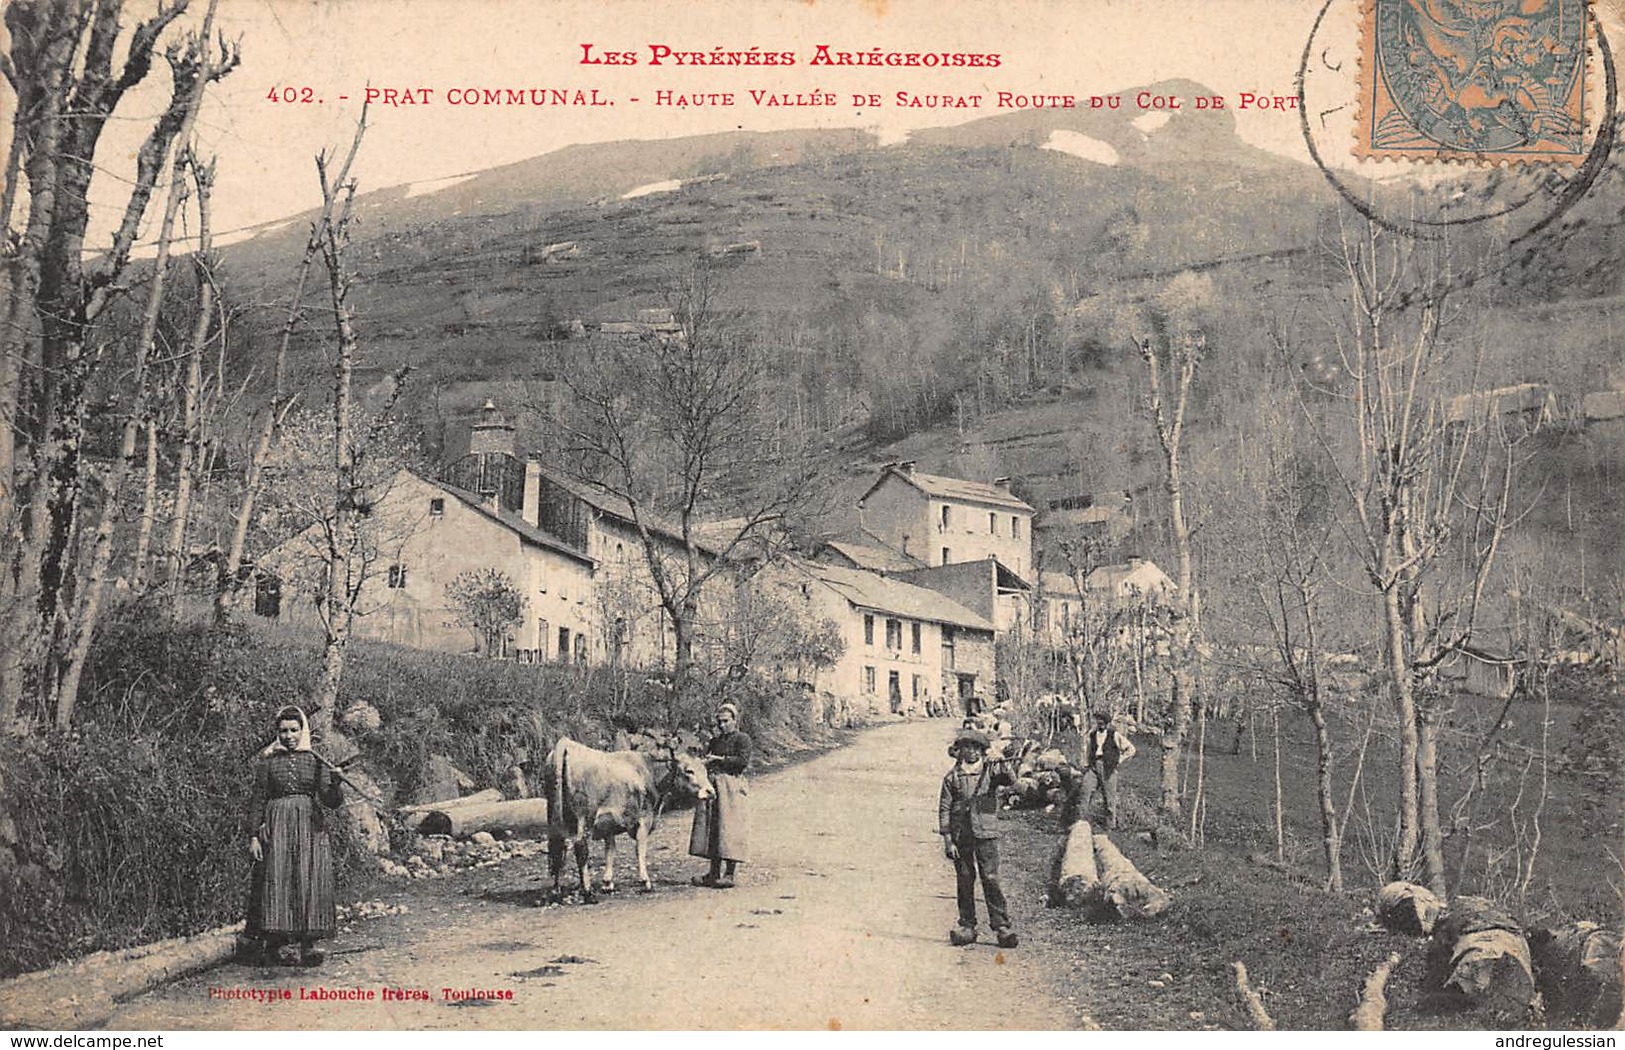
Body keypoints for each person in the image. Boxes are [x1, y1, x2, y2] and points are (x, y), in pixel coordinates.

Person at [247, 706, 344, 966]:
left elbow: (330, 800)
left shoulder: (315, 759)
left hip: (309, 826)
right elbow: (257, 801)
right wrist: (254, 835)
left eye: (294, 730)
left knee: (308, 876)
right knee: (277, 877)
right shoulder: (268, 761)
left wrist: (336, 782)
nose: (289, 736)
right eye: (283, 731)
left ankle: (307, 946)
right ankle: (276, 944)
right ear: (277, 733)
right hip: (277, 826)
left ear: (303, 731)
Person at [937, 727, 1019, 949]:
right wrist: (948, 840)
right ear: (959, 751)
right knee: (964, 880)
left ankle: (1002, 927)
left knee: (990, 878)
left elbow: (1011, 780)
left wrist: (1001, 760)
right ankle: (967, 926)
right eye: (966, 748)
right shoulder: (952, 778)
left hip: (986, 833)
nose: (971, 752)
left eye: (975, 748)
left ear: (982, 751)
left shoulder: (991, 772)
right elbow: (944, 809)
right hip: (961, 835)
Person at [690, 702, 751, 888]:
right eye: (719, 722)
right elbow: (707, 759)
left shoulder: (742, 739)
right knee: (712, 828)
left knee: (729, 828)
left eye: (725, 721)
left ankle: (729, 874)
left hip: (732, 786)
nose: (722, 725)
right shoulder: (715, 741)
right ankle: (713, 873)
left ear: (734, 720)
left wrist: (719, 760)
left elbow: (742, 761)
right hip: (714, 785)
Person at [1084, 710, 1137, 830]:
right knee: (1086, 791)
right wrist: (1087, 764)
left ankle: (1110, 826)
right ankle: (1082, 823)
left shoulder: (1115, 735)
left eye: (1102, 722)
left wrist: (1119, 760)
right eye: (1098, 721)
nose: (1100, 724)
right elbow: (1088, 750)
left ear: (1107, 723)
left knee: (1109, 798)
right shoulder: (1092, 735)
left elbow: (1131, 749)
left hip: (1108, 767)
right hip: (1093, 766)